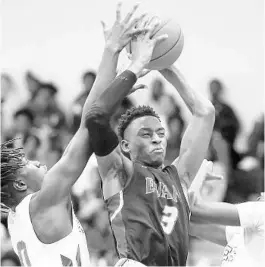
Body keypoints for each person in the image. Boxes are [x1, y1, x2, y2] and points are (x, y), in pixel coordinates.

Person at [1, 3, 146, 265]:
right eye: (30, 164)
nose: (39, 162)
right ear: (21, 184)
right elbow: (90, 123)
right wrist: (118, 56)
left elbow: (87, 123)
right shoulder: (45, 200)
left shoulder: (15, 218)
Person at [85, 16, 215, 266]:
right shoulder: (119, 172)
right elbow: (96, 117)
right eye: (146, 134)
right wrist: (137, 65)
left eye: (160, 133)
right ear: (125, 146)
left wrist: (165, 64)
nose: (157, 139)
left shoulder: (179, 177)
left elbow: (205, 112)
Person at [189, 170, 265, 267]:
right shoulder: (253, 229)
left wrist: (198, 175)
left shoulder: (260, 211)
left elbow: (195, 208)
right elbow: (192, 225)